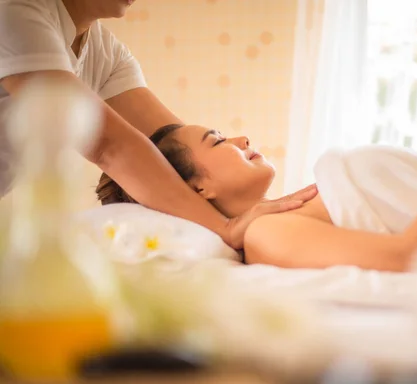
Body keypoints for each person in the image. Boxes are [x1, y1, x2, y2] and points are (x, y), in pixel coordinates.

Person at [0, 0, 316, 250]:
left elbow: (180, 152)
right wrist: (226, 229)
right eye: (220, 140)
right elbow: (111, 147)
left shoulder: (106, 54)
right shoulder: (14, 13)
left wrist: (270, 208)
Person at [97, 124, 417, 272]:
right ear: (198, 189)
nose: (242, 139)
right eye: (218, 140)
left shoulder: (290, 213)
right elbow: (408, 256)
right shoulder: (266, 235)